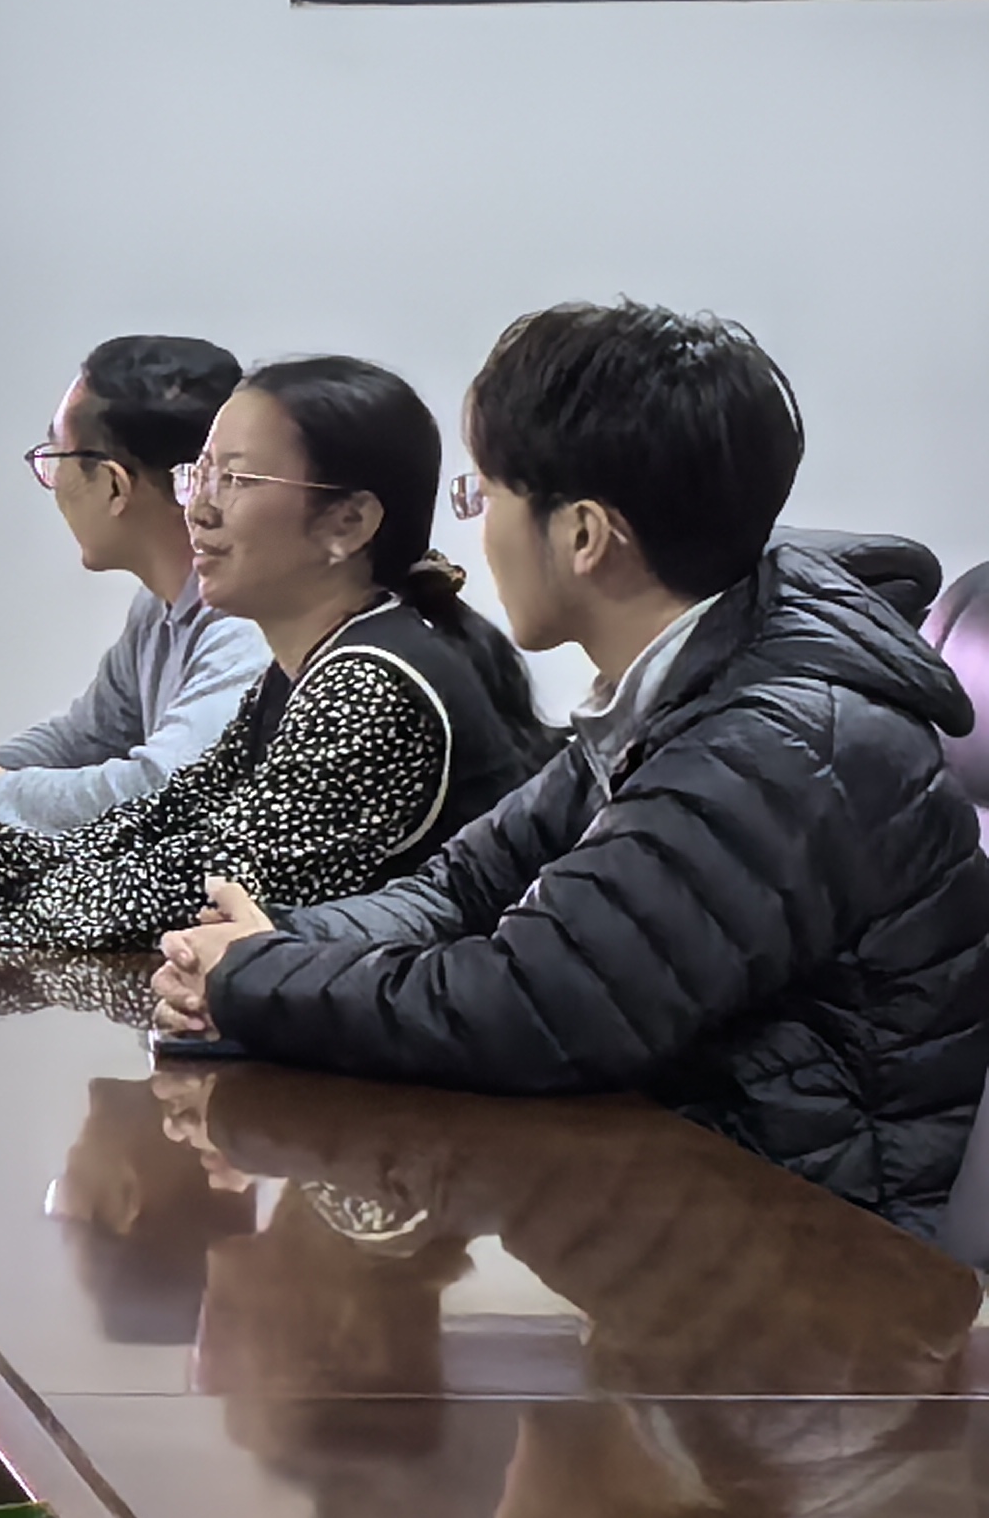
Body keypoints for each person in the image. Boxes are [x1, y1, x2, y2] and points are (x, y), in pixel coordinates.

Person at [159, 302, 989, 1235]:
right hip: (671, 1184)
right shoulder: (679, 687)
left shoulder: (780, 747)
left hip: (822, 1250)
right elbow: (461, 888)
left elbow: (527, 1006)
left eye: (486, 496)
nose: (477, 530)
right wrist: (262, 948)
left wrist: (257, 978)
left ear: (585, 536)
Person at [0, 356, 547, 951]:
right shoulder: (313, 663)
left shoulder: (371, 684)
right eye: (200, 475)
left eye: (236, 481)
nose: (199, 508)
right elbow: (170, 820)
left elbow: (208, 886)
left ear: (348, 522)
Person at [0, 334, 267, 833]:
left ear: (113, 484)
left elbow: (168, 790)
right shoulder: (159, 605)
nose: (53, 485)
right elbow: (88, 740)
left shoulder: (250, 621)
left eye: (56, 458)